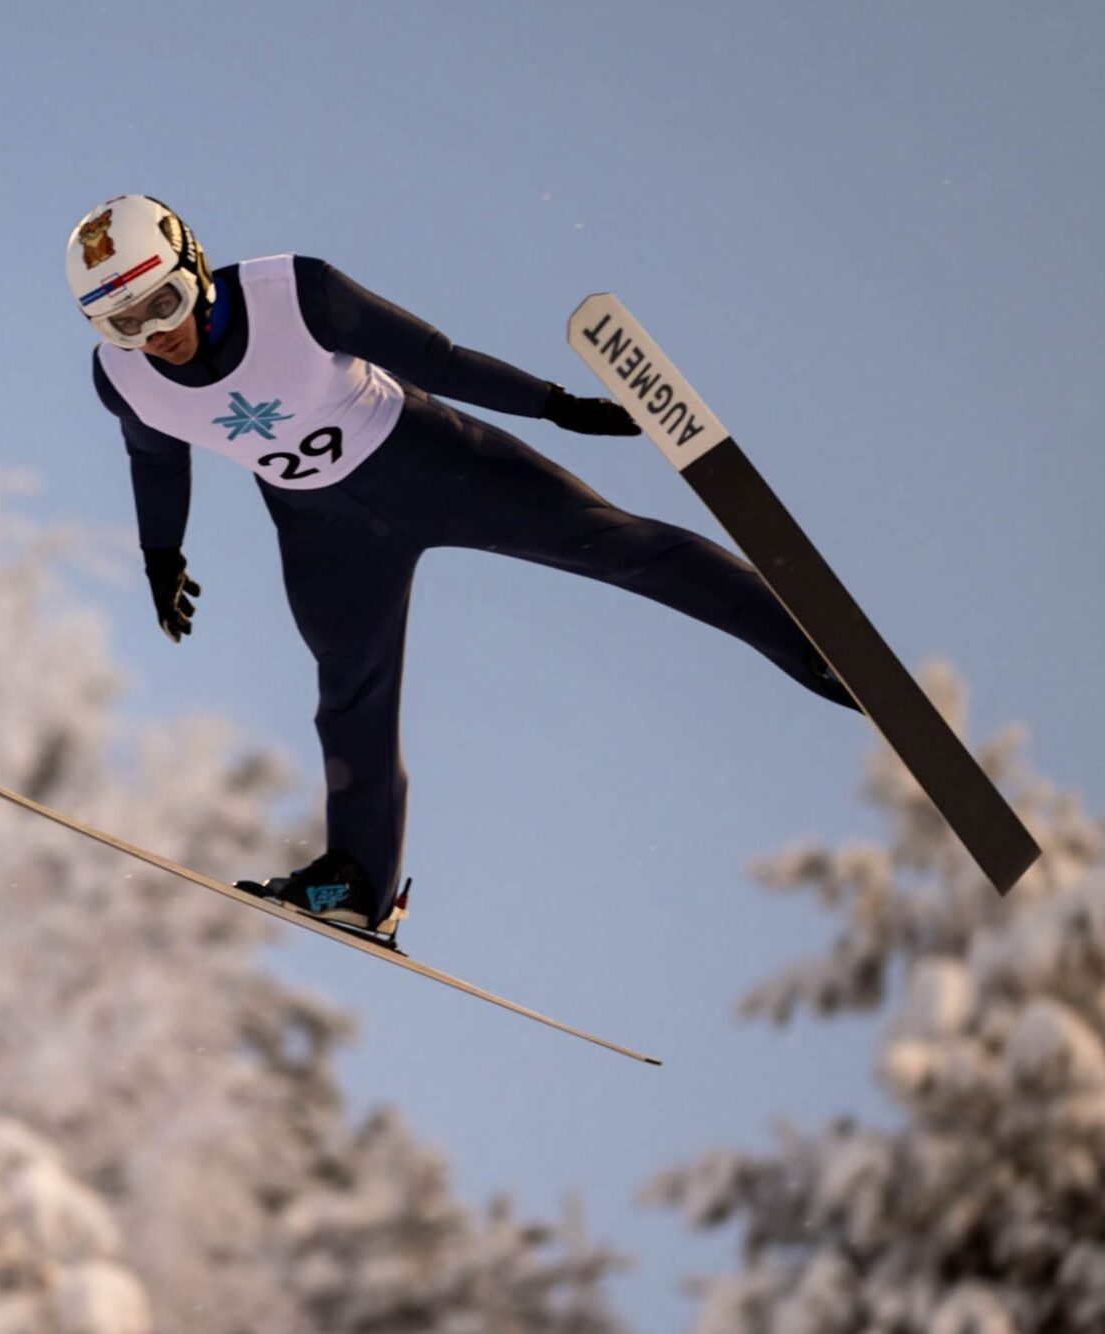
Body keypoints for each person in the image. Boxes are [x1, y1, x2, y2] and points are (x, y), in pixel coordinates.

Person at [66, 194, 855, 949]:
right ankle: (358, 886)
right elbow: (157, 463)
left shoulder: (295, 293)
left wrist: (553, 404)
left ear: (195, 266)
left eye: (164, 303)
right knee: (350, 699)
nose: (153, 333)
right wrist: (161, 556)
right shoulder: (122, 379)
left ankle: (813, 644)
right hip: (324, 533)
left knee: (617, 546)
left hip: (434, 464)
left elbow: (437, 359)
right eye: (123, 322)